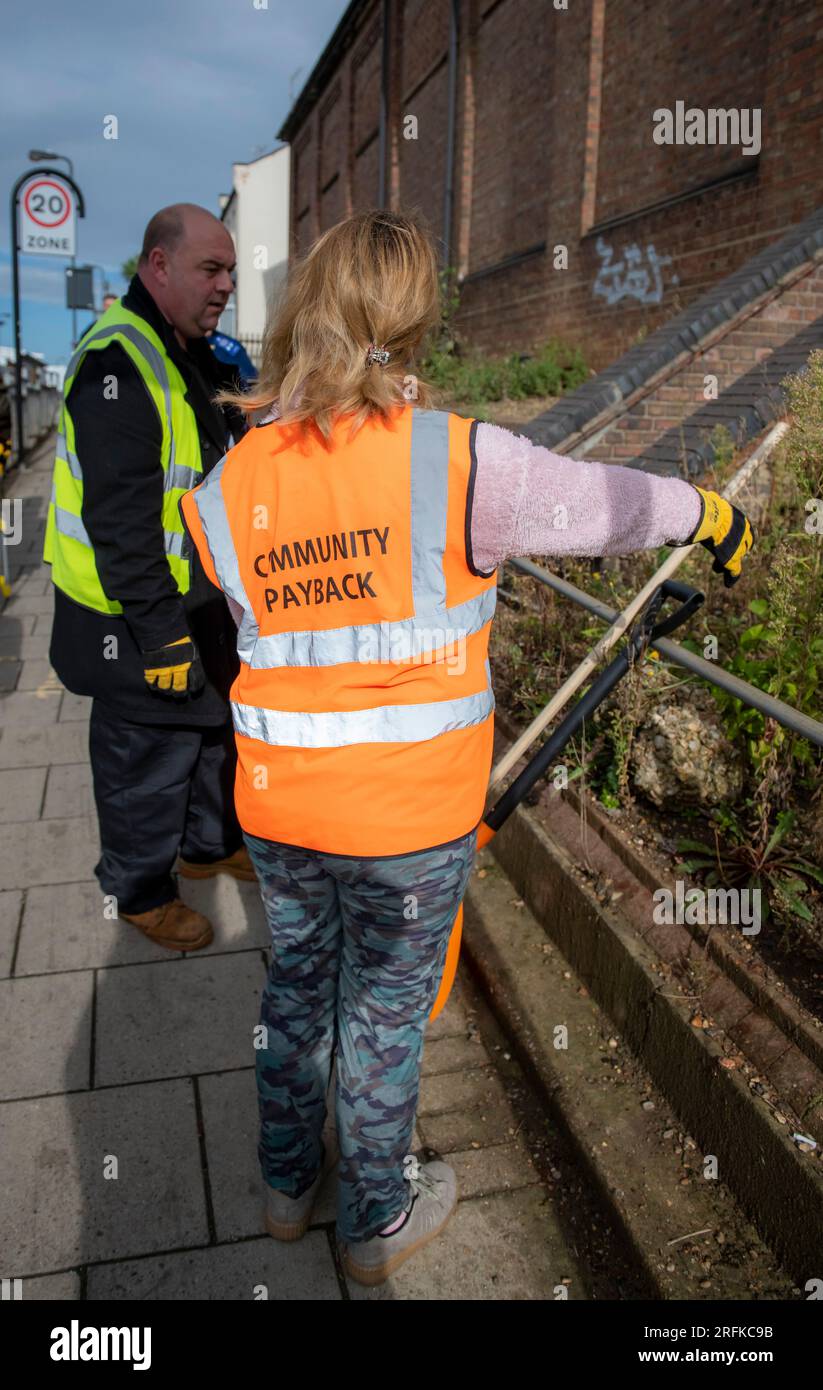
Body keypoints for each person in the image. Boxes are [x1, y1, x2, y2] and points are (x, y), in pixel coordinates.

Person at [180, 209, 753, 1286]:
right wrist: (706, 512)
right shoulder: (458, 461)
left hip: (280, 811)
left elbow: (221, 618)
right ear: (412, 320)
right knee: (386, 1016)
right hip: (406, 822)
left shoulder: (226, 486)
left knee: (296, 992)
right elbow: (607, 506)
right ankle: (375, 1219)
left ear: (307, 315)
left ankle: (280, 1187)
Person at [43, 203, 257, 953]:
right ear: (157, 266)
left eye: (230, 269)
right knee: (145, 761)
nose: (226, 283)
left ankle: (205, 849)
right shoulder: (117, 360)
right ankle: (138, 892)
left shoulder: (185, 347)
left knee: (205, 739)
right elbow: (122, 520)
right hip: (130, 622)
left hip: (192, 605)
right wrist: (163, 636)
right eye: (211, 268)